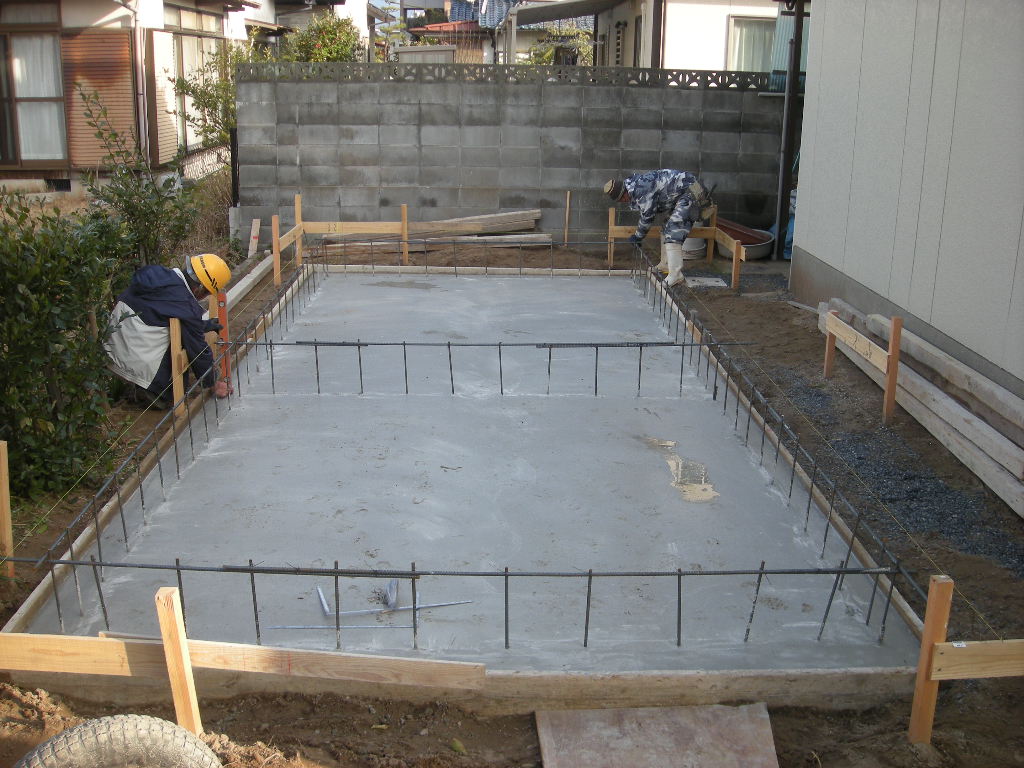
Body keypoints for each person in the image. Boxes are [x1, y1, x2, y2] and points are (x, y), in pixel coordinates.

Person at [105, 253, 233, 407]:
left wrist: (203, 325)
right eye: (206, 293)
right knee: (172, 393)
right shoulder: (186, 306)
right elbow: (198, 350)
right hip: (136, 362)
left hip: (111, 348)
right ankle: (148, 392)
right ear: (199, 288)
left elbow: (157, 313)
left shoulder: (156, 275)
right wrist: (212, 382)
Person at [605, 170, 714, 287]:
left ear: (624, 193)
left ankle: (676, 274)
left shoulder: (641, 190)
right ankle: (665, 264)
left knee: (673, 230)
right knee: (666, 227)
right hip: (681, 194)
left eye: (622, 199)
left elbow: (647, 216)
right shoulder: (633, 185)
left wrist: (638, 236)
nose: (623, 202)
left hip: (691, 193)